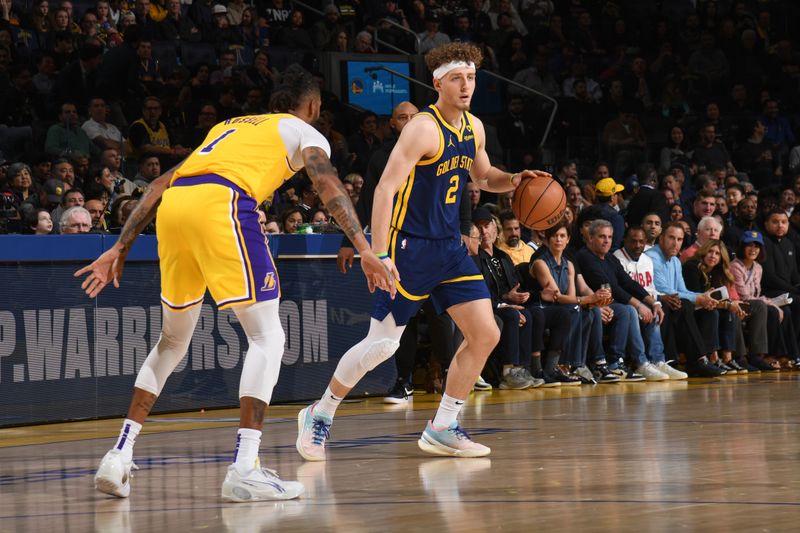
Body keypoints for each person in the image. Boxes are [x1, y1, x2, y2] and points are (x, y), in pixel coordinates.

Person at [75, 65, 392, 502]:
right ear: (314, 106)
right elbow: (326, 183)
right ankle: (245, 467)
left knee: (171, 341)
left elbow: (163, 182)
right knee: (268, 337)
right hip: (222, 203)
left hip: (176, 208)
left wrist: (120, 247)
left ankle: (119, 453)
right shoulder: (303, 130)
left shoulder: (227, 127)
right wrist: (364, 246)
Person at [296, 42, 552, 460]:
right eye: (457, 78)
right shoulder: (422, 128)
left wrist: (517, 179)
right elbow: (384, 189)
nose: (466, 85)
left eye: (471, 77)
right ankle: (319, 413)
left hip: (449, 248)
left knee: (486, 332)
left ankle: (443, 425)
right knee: (382, 346)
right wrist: (378, 252)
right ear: (438, 82)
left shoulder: (475, 128)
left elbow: (484, 175)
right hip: (408, 248)